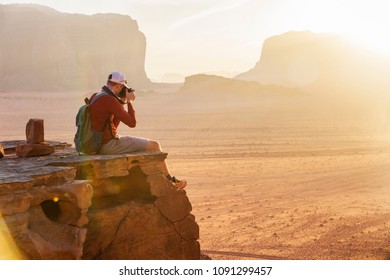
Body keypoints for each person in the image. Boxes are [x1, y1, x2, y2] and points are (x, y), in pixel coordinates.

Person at [90, 71, 187, 189]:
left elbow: (113, 125)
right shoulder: (110, 100)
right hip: (108, 146)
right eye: (123, 88)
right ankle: (170, 181)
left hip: (95, 145)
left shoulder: (96, 96)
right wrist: (129, 101)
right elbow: (132, 123)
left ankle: (168, 180)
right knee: (155, 145)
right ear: (118, 86)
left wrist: (122, 101)